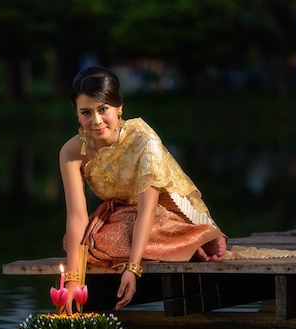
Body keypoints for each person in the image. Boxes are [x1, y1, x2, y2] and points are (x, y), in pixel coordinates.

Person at [59, 65, 227, 313]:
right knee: (88, 241)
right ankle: (184, 247)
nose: (96, 121)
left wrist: (132, 269)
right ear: (76, 113)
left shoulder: (142, 139)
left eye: (103, 109)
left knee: (115, 236)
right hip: (118, 216)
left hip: (161, 212)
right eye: (86, 112)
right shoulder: (72, 152)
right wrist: (73, 279)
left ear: (119, 107)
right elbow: (76, 216)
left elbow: (147, 208)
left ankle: (196, 237)